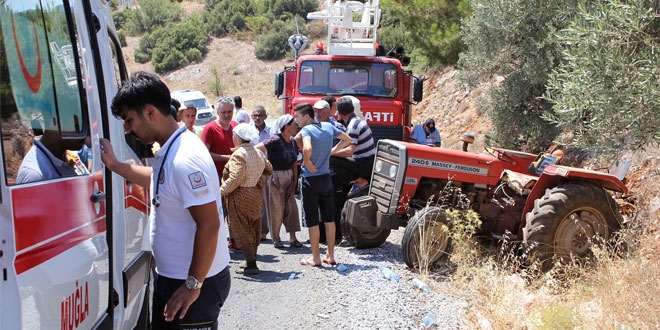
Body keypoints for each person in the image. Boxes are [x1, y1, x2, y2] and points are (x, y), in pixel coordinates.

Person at [98, 71, 230, 329]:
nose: (127, 129)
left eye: (129, 120)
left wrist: (193, 284)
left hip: (193, 282)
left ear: (149, 113)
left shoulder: (185, 159)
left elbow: (209, 224)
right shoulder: (173, 148)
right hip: (177, 278)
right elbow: (159, 178)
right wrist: (115, 165)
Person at [294, 103, 351, 267]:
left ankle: (315, 258)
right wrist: (331, 151)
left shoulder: (306, 130)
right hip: (326, 178)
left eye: (297, 117)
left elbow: (307, 147)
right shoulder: (327, 126)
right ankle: (330, 256)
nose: (295, 120)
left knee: (312, 221)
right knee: (329, 219)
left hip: (310, 179)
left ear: (306, 116)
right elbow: (347, 139)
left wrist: (306, 161)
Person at [221, 123, 272, 275]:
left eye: (234, 135)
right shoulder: (257, 152)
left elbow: (236, 177)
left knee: (242, 229)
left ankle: (251, 264)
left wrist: (221, 192)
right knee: (253, 226)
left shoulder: (239, 154)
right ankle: (251, 260)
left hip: (240, 195)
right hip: (255, 194)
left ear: (238, 137)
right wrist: (260, 179)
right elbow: (269, 168)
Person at [255, 114, 302, 249]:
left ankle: (293, 238)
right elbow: (257, 149)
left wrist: (294, 182)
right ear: (286, 126)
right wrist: (264, 167)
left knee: (291, 208)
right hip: (274, 177)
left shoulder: (292, 141)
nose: (296, 126)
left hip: (288, 176)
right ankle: (276, 238)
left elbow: (293, 162)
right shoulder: (275, 140)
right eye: (293, 123)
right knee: (276, 209)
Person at [201, 97, 240, 252]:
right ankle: (217, 242)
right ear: (217, 112)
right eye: (223, 112)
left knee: (235, 209)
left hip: (235, 175)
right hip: (216, 175)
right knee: (219, 209)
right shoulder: (210, 128)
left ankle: (235, 240)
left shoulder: (237, 127)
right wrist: (226, 158)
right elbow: (204, 152)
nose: (226, 115)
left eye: (229, 111)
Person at [313, 99, 346, 244]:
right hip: (315, 172)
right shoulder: (311, 126)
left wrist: (332, 152)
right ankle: (319, 237)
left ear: (328, 111)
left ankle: (336, 236)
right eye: (315, 110)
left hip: (332, 173)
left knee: (333, 205)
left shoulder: (337, 127)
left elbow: (347, 141)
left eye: (320, 110)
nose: (317, 113)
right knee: (316, 205)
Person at [330, 96, 376, 197]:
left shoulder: (353, 126)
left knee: (333, 160)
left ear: (340, 112)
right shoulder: (358, 120)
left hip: (366, 163)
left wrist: (330, 153)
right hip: (368, 161)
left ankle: (360, 181)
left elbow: (349, 151)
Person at [252, 105, 271, 241]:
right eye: (255, 115)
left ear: (265, 116)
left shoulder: (271, 132)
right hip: (251, 171)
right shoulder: (248, 131)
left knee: (264, 202)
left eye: (260, 115)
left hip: (265, 171)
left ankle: (263, 231)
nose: (257, 118)